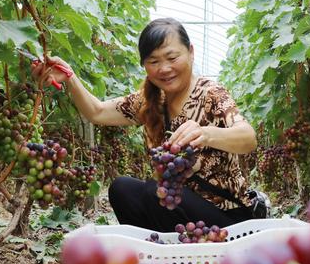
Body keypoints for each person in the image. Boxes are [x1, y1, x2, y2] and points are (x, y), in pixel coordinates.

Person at [31, 18, 258, 232]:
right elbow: (97, 112)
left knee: (154, 191)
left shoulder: (210, 93)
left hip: (229, 219)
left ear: (191, 52)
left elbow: (248, 138)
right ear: (144, 65)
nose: (164, 68)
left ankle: (190, 253)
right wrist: (69, 77)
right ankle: (164, 254)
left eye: (172, 58)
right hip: (178, 213)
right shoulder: (149, 101)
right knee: (122, 189)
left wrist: (206, 134)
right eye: (154, 61)